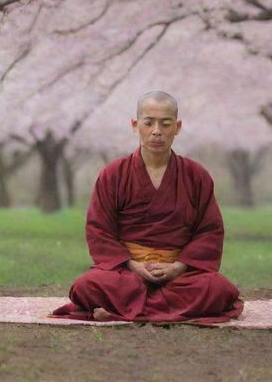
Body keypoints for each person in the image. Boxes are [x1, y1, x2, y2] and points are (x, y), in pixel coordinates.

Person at [52, 91, 243, 323]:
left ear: (178, 126)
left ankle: (120, 311)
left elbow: (209, 230)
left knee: (219, 288)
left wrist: (179, 267)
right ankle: (163, 310)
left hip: (179, 273)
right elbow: (99, 229)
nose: (156, 131)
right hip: (126, 273)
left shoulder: (196, 175)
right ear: (135, 125)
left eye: (165, 124)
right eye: (148, 123)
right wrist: (132, 265)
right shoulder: (113, 174)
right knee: (85, 286)